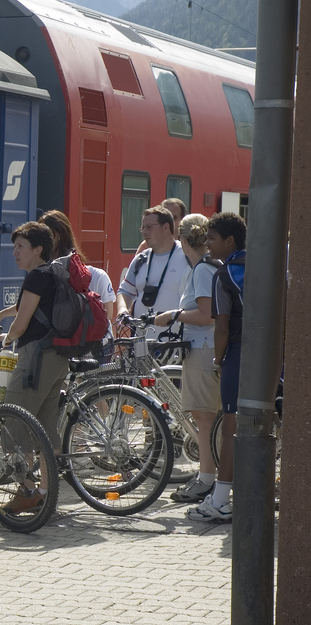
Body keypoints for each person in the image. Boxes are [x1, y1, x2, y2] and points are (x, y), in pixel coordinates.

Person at [0, 221, 65, 513]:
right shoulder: (56, 273)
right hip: (57, 357)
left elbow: (21, 324)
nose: (14, 253)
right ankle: (47, 493)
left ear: (38, 249)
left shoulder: (36, 277)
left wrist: (4, 339)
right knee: (46, 428)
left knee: (11, 421)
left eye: (20, 247)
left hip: (35, 356)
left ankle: (28, 490)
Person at [152, 214, 222, 504]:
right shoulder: (209, 266)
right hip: (209, 348)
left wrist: (173, 315)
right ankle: (212, 478)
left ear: (182, 240)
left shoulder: (202, 269)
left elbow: (206, 315)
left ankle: (206, 480)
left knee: (204, 417)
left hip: (203, 349)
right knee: (211, 418)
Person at [186, 212, 246, 522]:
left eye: (212, 238)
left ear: (230, 241)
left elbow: (221, 326)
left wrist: (219, 359)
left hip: (238, 352)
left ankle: (221, 500)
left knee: (231, 430)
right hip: (270, 356)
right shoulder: (262, 264)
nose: (207, 244)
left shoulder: (224, 274)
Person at [116, 205, 188, 339]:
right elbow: (125, 291)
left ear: (166, 227)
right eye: (143, 227)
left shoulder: (186, 256)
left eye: (149, 227)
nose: (144, 232)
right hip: (140, 343)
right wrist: (122, 310)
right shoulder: (141, 258)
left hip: (174, 342)